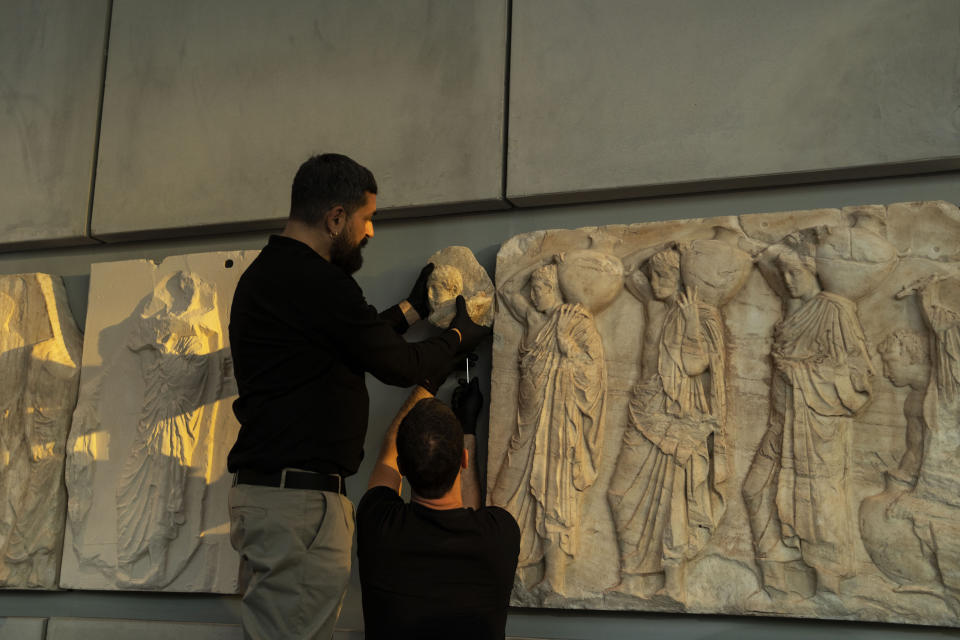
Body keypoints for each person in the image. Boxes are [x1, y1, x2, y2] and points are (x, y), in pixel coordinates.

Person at [226, 153, 489, 640]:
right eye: (367, 219)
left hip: (274, 500)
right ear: (335, 218)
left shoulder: (267, 277)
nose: (370, 232)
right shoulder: (318, 283)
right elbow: (396, 364)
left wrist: (411, 310)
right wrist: (458, 340)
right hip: (298, 509)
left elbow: (349, 337)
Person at [357, 378, 520, 640]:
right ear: (464, 460)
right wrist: (468, 427)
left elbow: (388, 453)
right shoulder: (501, 533)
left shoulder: (378, 524)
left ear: (403, 466)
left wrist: (429, 377)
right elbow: (469, 518)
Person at [490, 257, 606, 597]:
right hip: (527, 430)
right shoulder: (533, 319)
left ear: (555, 289)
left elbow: (594, 377)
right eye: (534, 287)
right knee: (502, 496)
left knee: (555, 498)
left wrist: (566, 346)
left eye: (539, 287)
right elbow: (508, 288)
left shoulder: (579, 324)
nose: (533, 293)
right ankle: (512, 570)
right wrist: (549, 262)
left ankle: (554, 580)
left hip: (559, 428)